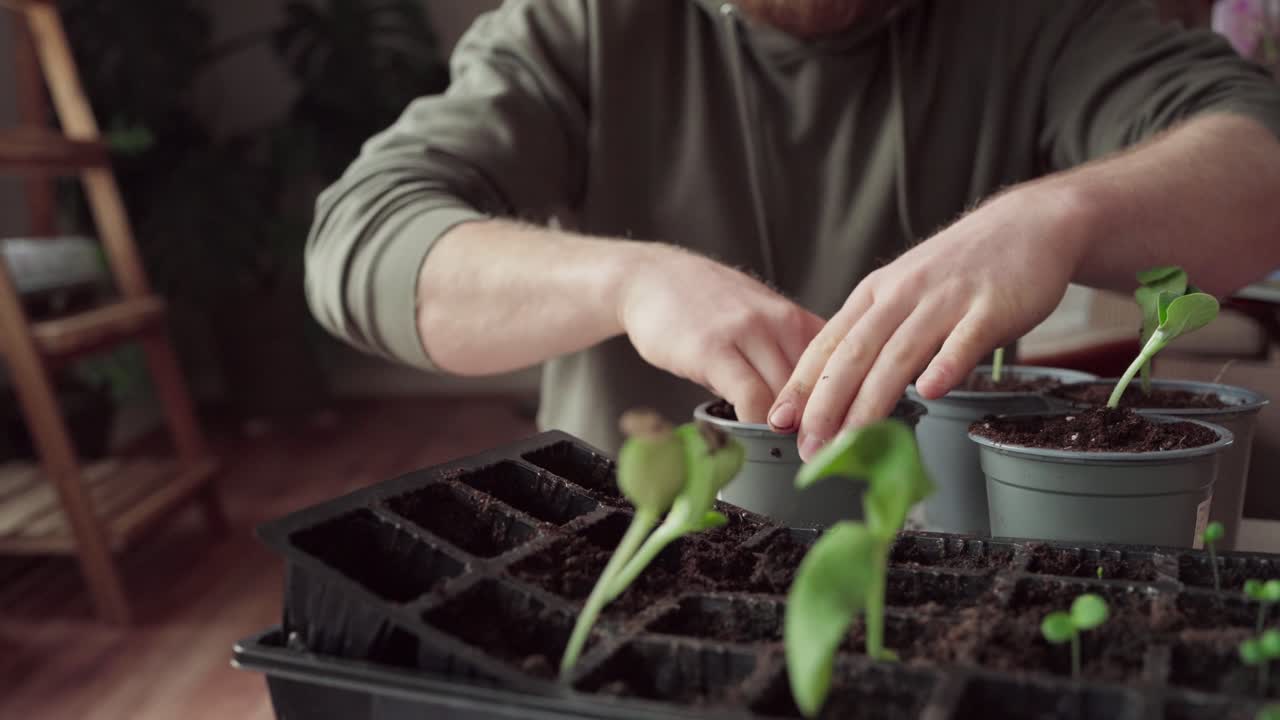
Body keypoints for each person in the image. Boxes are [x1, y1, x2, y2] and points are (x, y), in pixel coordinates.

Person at [305, 0, 1280, 458]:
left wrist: (1055, 215)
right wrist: (628, 283)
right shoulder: (576, 25)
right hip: (632, 537)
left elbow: (1257, 162)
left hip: (924, 534)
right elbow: (361, 241)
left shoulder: (1034, 22)